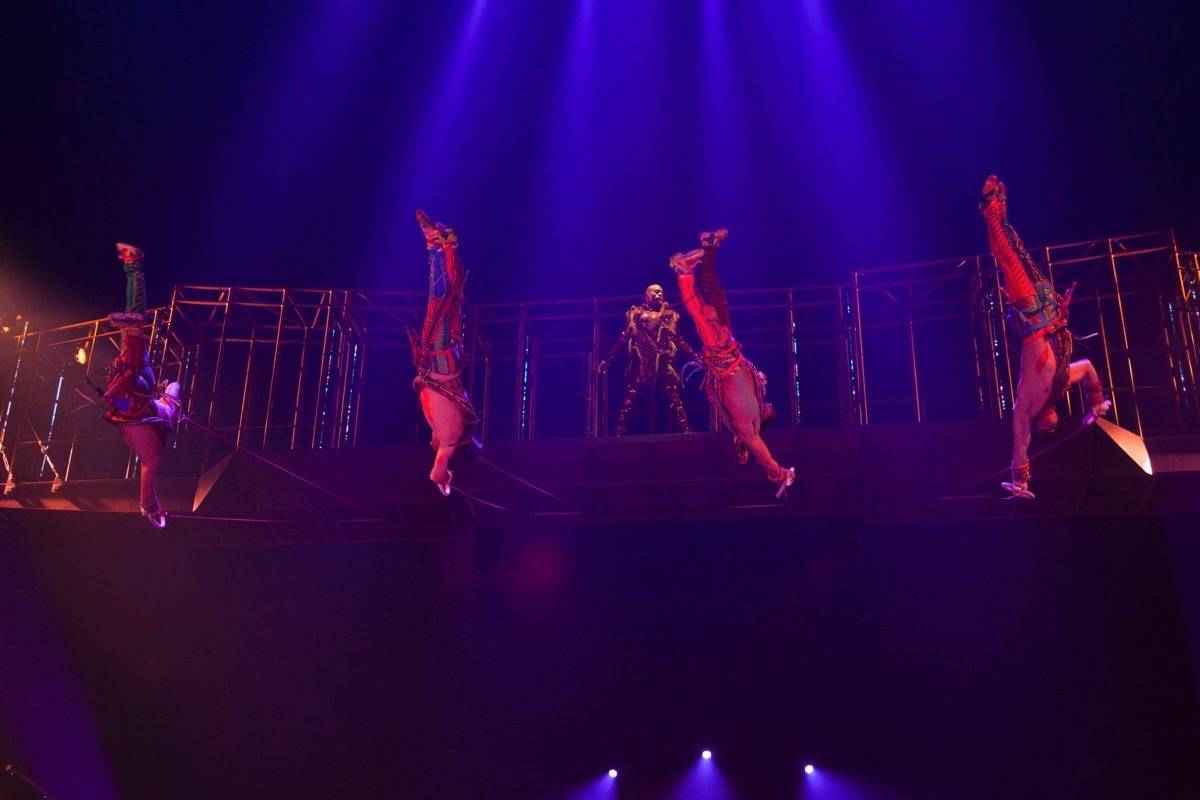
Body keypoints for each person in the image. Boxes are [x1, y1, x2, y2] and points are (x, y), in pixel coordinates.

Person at [980, 176, 1111, 499]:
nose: (1051, 428)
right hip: (1047, 308)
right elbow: (1091, 368)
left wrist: (1021, 476)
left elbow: (1020, 437)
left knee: (1007, 255)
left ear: (1041, 421)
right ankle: (996, 207)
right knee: (1013, 253)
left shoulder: (1029, 402)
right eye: (1055, 428)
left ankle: (992, 206)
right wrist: (1096, 403)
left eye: (1047, 430)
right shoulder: (1063, 383)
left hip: (1030, 308)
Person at [669, 229, 795, 494]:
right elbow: (750, 377)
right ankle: (705, 252)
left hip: (721, 355)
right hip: (729, 350)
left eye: (772, 410)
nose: (772, 407)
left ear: (766, 418)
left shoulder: (747, 428)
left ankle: (684, 271)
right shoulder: (755, 396)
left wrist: (778, 473)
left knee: (699, 313)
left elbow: (763, 455)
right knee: (713, 299)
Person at [102, 243, 182, 527]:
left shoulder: (163, 411)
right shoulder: (153, 453)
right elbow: (147, 481)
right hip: (134, 401)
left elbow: (172, 390)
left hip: (135, 401)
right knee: (134, 330)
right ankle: (133, 266)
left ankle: (132, 268)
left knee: (133, 326)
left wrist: (152, 509)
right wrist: (150, 508)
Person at [411, 210, 480, 496]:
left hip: (447, 355)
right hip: (440, 357)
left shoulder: (447, 432)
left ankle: (444, 244)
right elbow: (436, 472)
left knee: (449, 299)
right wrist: (445, 480)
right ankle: (436, 243)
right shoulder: (448, 442)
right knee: (440, 299)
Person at [598, 282, 698, 435]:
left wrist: (696, 356)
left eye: (661, 292)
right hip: (642, 360)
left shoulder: (669, 315)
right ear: (646, 296)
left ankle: (685, 430)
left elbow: (680, 340)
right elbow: (624, 337)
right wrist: (608, 358)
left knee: (674, 396)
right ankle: (619, 432)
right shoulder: (637, 314)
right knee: (632, 396)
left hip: (662, 360)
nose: (659, 295)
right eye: (655, 292)